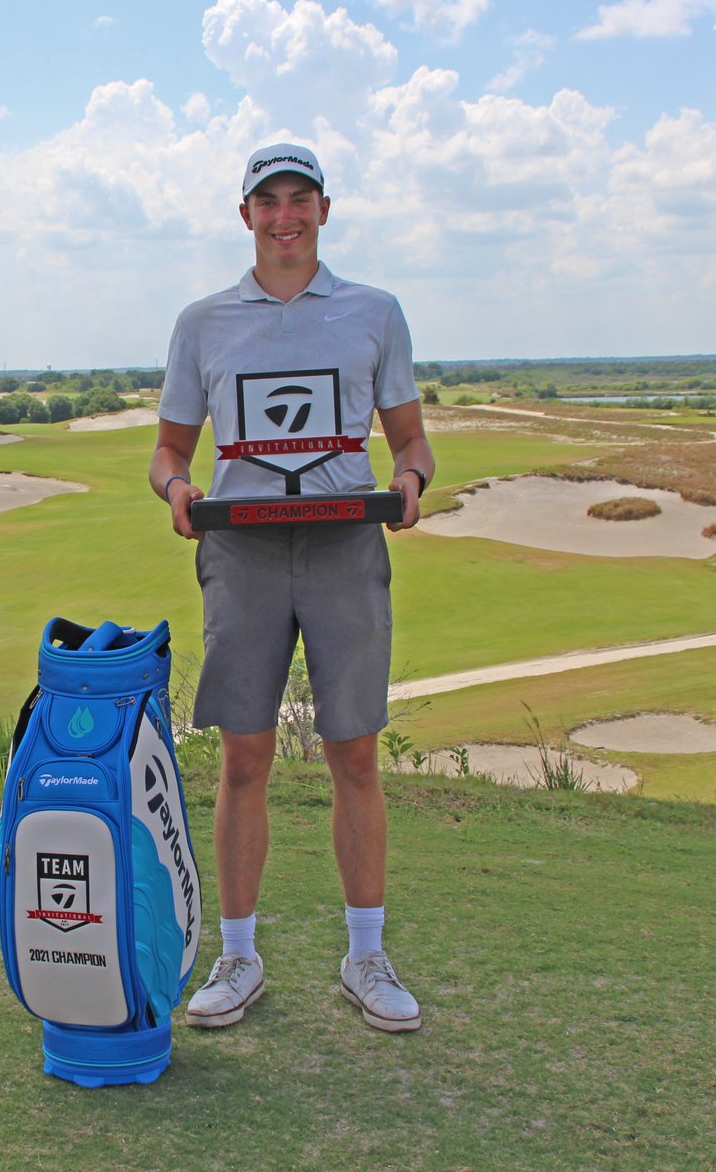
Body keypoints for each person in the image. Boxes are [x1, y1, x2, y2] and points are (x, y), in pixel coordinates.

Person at [148, 142, 435, 1033]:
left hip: (346, 546)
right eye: (267, 202)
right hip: (243, 553)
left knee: (354, 752)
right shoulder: (203, 323)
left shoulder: (374, 313)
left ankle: (365, 956)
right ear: (245, 216)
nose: (284, 217)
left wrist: (413, 483)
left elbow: (411, 444)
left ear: (323, 210)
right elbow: (168, 453)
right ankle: (238, 957)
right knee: (244, 758)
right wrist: (176, 491)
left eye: (299, 200)